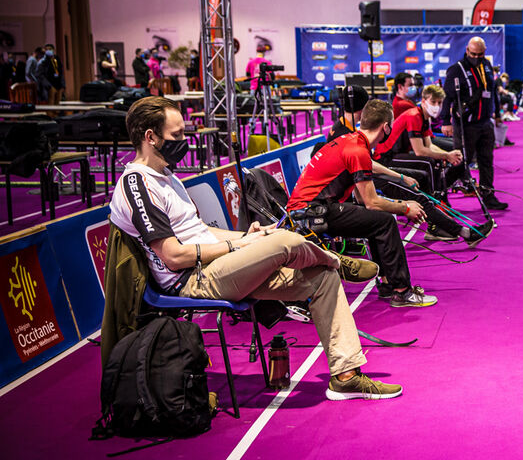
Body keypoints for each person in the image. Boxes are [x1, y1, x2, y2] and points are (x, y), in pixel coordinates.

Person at [108, 97, 401, 400]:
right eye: (177, 135)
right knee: (285, 239)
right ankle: (337, 260)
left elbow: (202, 230)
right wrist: (238, 244)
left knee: (322, 278)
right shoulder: (137, 184)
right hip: (192, 280)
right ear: (150, 137)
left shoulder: (168, 176)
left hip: (222, 266)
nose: (184, 142)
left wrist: (246, 236)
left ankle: (346, 375)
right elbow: (172, 256)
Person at [287, 98, 438, 307]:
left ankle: (387, 284)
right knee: (385, 221)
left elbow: (363, 199)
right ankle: (402, 291)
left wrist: (399, 182)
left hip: (311, 209)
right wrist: (405, 207)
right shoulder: (358, 149)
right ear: (386, 127)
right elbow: (372, 203)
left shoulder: (352, 140)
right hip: (312, 213)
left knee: (376, 220)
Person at [329, 89, 492, 247]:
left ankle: (442, 222)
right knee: (419, 197)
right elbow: (366, 167)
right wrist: (400, 179)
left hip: (364, 177)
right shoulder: (346, 134)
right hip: (365, 179)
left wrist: (400, 177)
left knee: (421, 188)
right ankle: (464, 232)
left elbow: (365, 162)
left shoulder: (344, 127)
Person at [441, 36, 508, 210]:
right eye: (473, 54)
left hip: (485, 123)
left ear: (484, 52)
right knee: (461, 162)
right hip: (466, 125)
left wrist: (498, 112)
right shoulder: (456, 70)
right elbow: (447, 98)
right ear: (467, 51)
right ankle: (439, 193)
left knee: (487, 161)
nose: (476, 57)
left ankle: (488, 196)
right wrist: (446, 122)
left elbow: (492, 91)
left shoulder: (486, 66)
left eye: (480, 54)